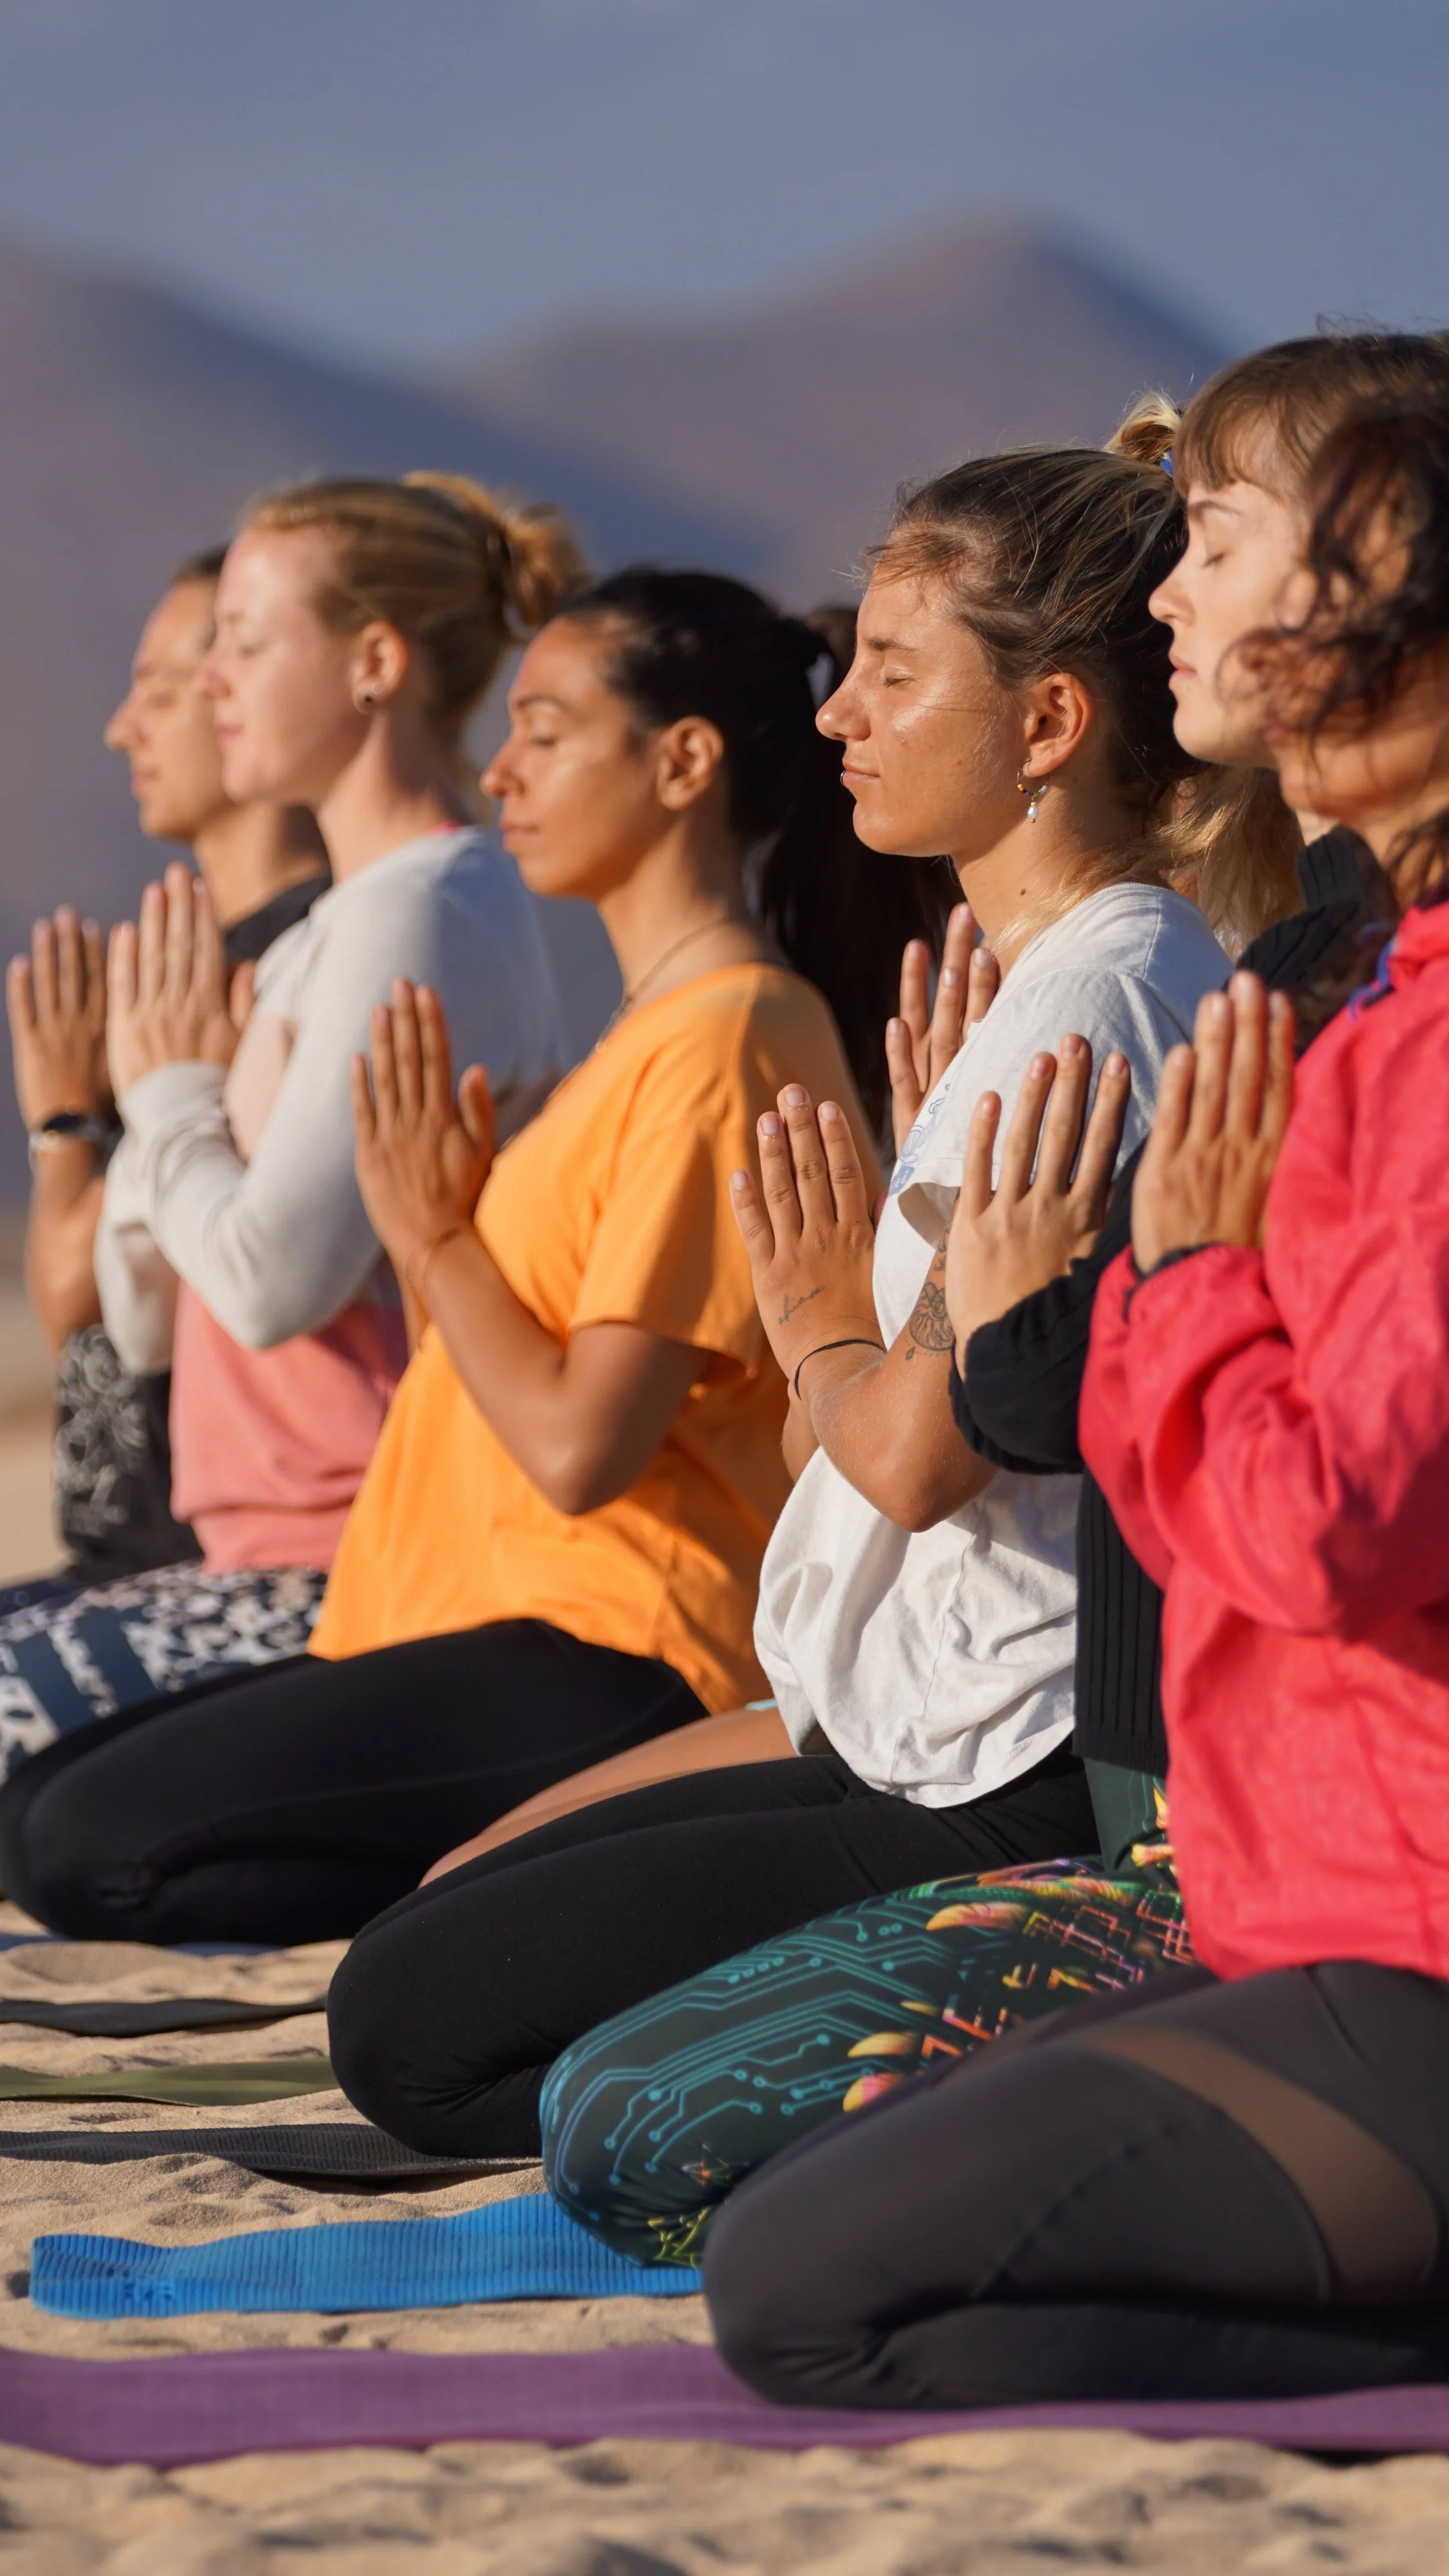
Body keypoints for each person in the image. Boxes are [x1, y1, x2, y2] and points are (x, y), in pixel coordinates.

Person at [536, 330, 1449, 2270]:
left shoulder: (1206, 994)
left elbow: (1037, 1433)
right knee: (539, 2042)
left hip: (1151, 1810)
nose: (1173, 591)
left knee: (648, 2152)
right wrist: (947, 1300)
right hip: (1226, 1822)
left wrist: (1111, 1288)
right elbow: (976, 1413)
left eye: (1215, 539)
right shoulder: (1304, 967)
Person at [314, 437, 1252, 2168]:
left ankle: (1012, 2031)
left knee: (416, 2033)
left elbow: (910, 1457)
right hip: (881, 1706)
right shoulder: (1060, 983)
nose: (838, 714)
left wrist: (816, 1303)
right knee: (446, 1912)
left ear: (1046, 724)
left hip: (1004, 1761)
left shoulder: (1095, 1004)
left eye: (895, 676)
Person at [0, 569, 946, 1946]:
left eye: (547, 730)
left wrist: (431, 1236)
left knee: (91, 1846)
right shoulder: (642, 1041)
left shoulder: (728, 1036)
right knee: (42, 1812)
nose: (500, 769)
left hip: (613, 1643)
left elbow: (582, 1447)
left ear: (679, 762)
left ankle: (523, 1884)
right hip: (468, 1618)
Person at [0, 475, 576, 1768]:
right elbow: (138, 1309)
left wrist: (163, 1103)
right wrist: (168, 1138)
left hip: (353, 1564)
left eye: (246, 645)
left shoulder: (425, 907)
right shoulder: (339, 927)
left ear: (374, 663)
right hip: (246, 1552)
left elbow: (263, 1285)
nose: (214, 687)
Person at [3, 548, 327, 1609]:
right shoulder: (192, 971)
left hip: (204, 1558)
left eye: (157, 691)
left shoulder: (307, 965)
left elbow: (80, 1308)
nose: (120, 728)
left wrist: (63, 1122)